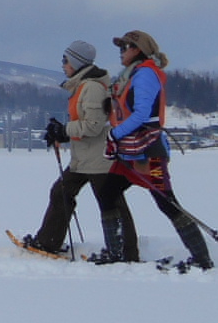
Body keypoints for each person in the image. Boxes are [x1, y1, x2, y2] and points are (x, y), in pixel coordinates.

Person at [90, 30, 213, 269]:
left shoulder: (145, 74)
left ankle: (202, 259)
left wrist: (114, 135)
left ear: (137, 50)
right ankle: (115, 255)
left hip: (148, 152)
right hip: (129, 151)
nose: (121, 52)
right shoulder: (131, 75)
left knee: (167, 203)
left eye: (124, 48)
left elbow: (142, 114)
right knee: (107, 194)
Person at [21, 41, 136, 256]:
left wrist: (64, 130)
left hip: (100, 158)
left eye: (66, 60)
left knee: (111, 203)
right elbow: (83, 123)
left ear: (76, 62)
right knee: (61, 192)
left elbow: (93, 125)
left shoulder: (91, 88)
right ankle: (48, 242)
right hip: (84, 158)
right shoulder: (81, 86)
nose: (63, 64)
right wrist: (60, 132)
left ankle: (127, 252)